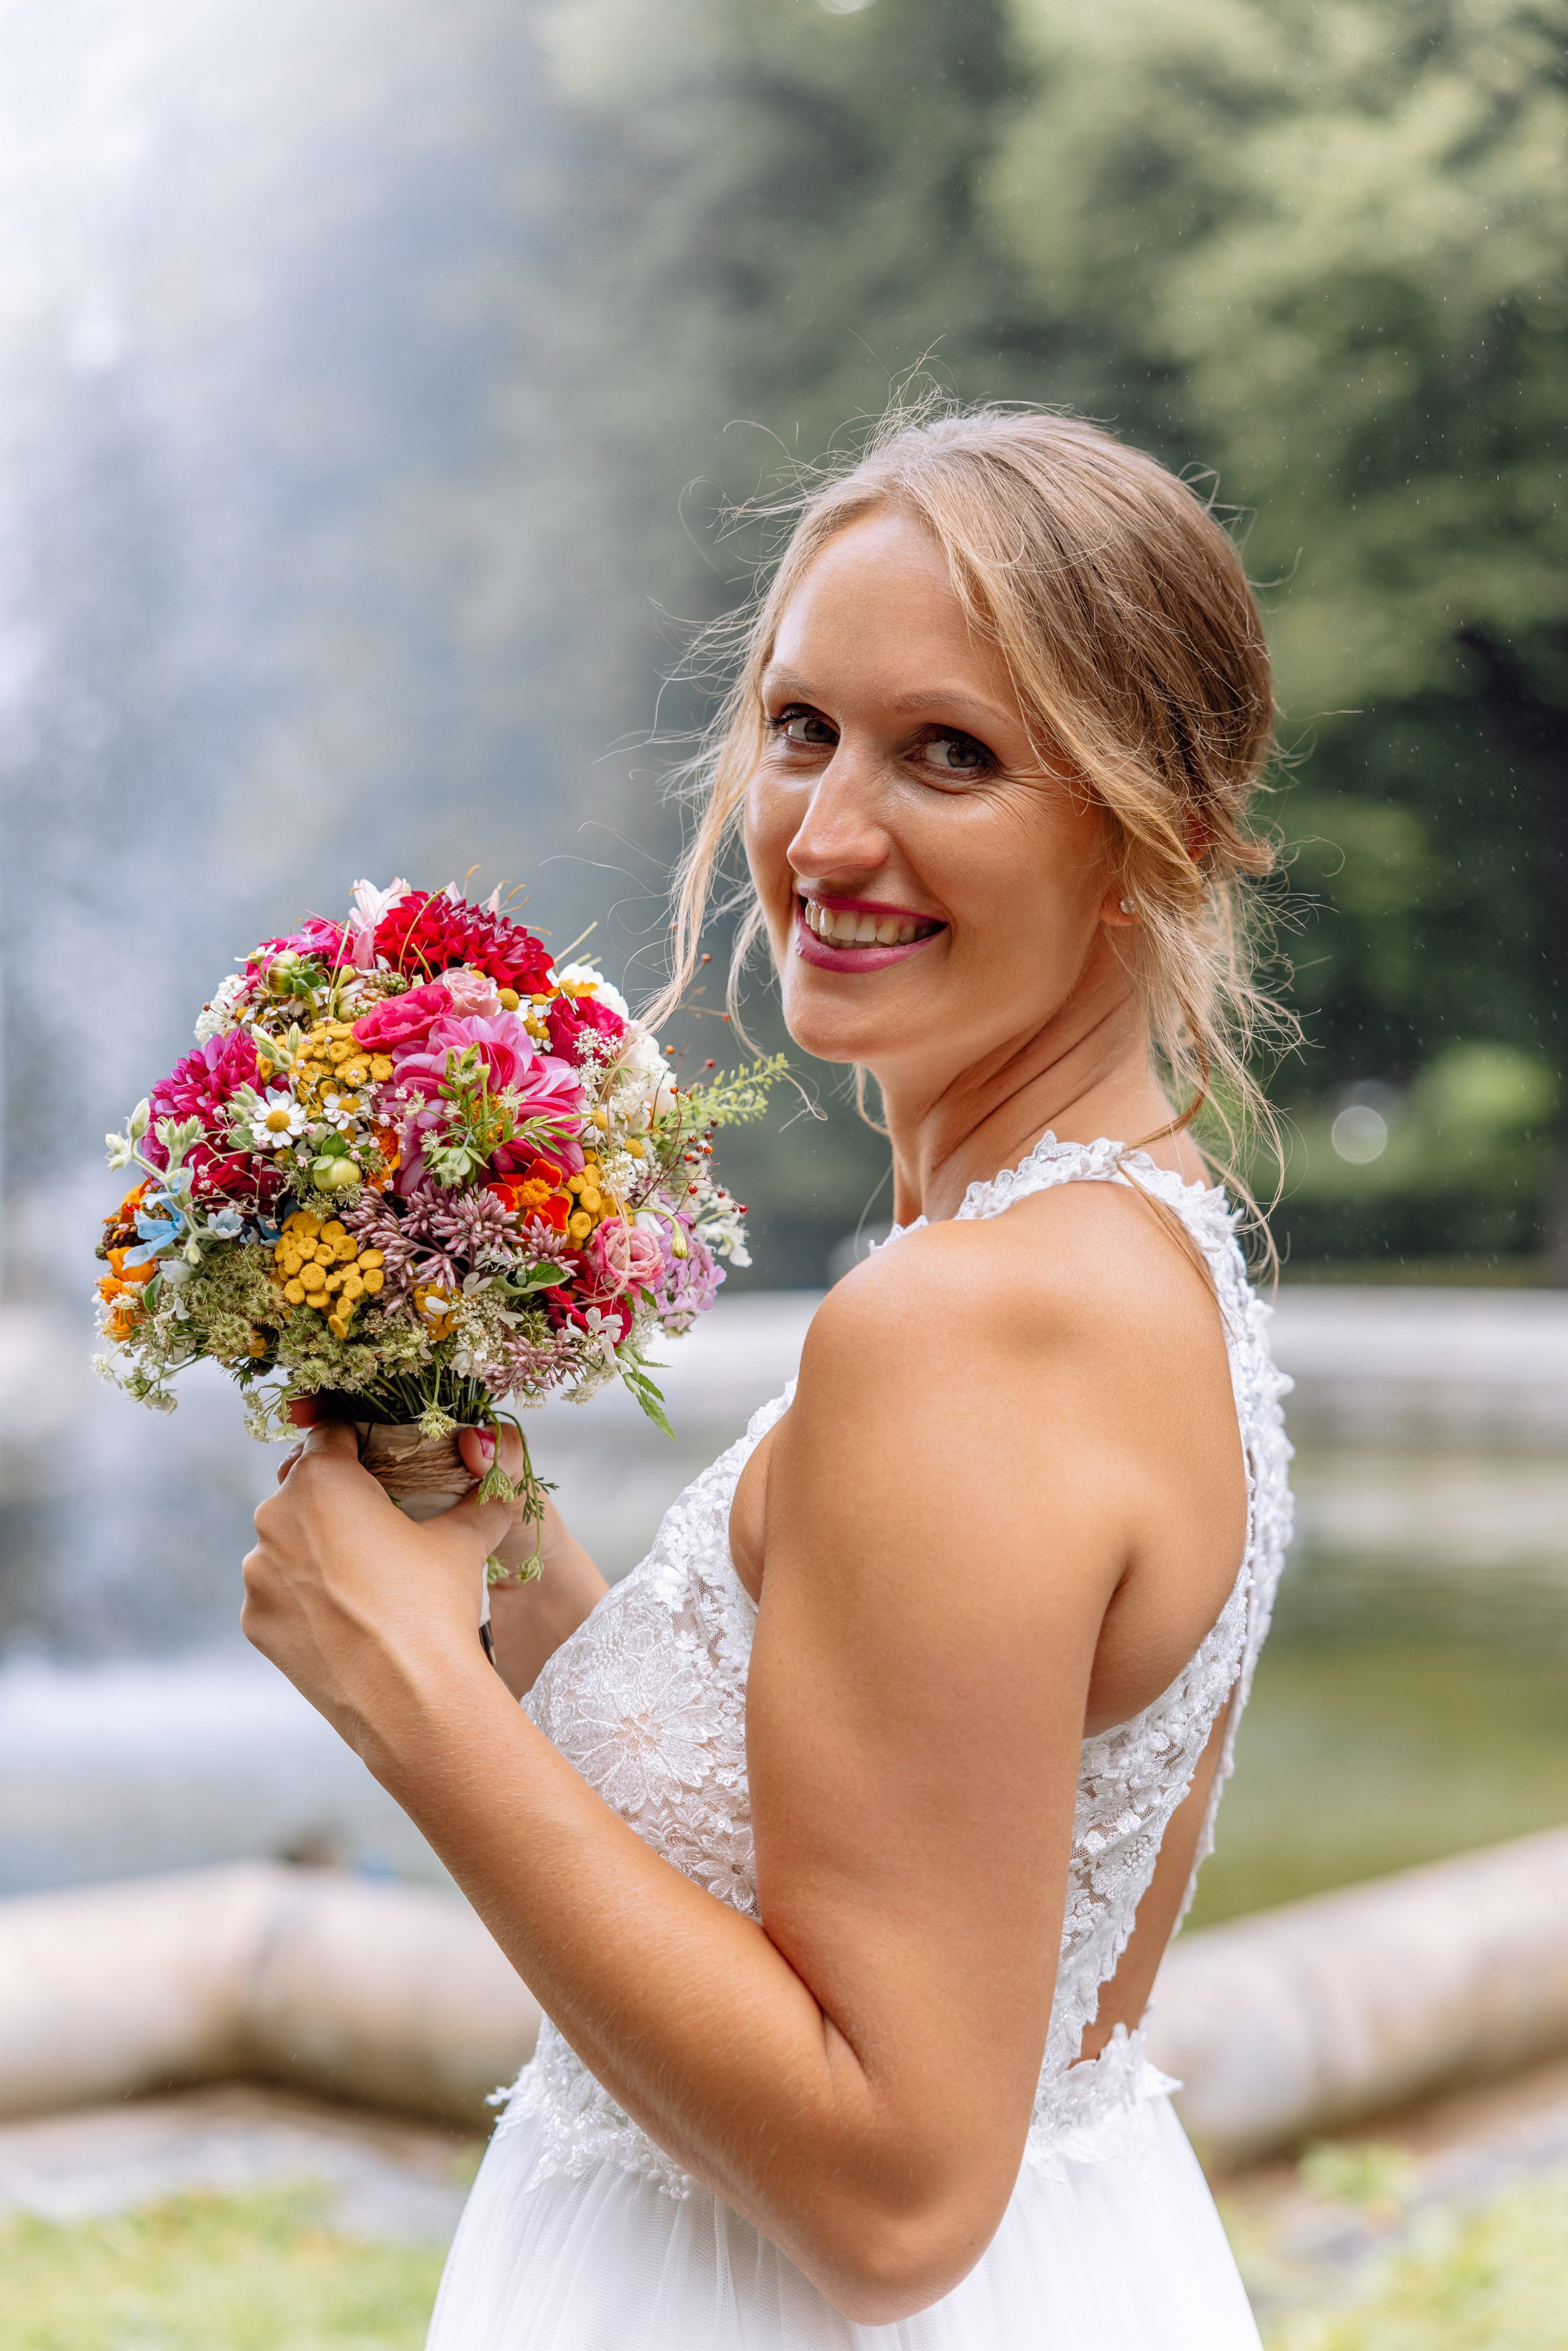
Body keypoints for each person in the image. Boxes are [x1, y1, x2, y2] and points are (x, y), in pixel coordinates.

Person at [243, 406, 1292, 2349]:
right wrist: (502, 1548)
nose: (825, 832)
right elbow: (851, 1836)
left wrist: (405, 1696)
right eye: (804, 728)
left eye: (950, 754)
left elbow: (895, 2197)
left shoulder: (967, 1327)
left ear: (1160, 835)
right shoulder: (1136, 1239)